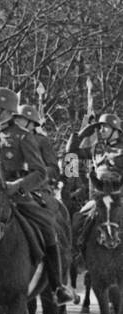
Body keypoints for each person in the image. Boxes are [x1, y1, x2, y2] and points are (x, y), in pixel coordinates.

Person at [0, 87, 75, 304]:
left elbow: (40, 172)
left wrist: (17, 186)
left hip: (17, 197)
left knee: (48, 230)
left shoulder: (23, 137)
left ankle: (58, 286)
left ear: (2, 109)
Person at [68, 111, 123, 258]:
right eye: (100, 127)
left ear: (115, 129)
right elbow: (71, 152)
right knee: (77, 220)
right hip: (99, 197)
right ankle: (78, 256)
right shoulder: (96, 148)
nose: (101, 130)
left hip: (119, 197)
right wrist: (80, 135)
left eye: (105, 127)